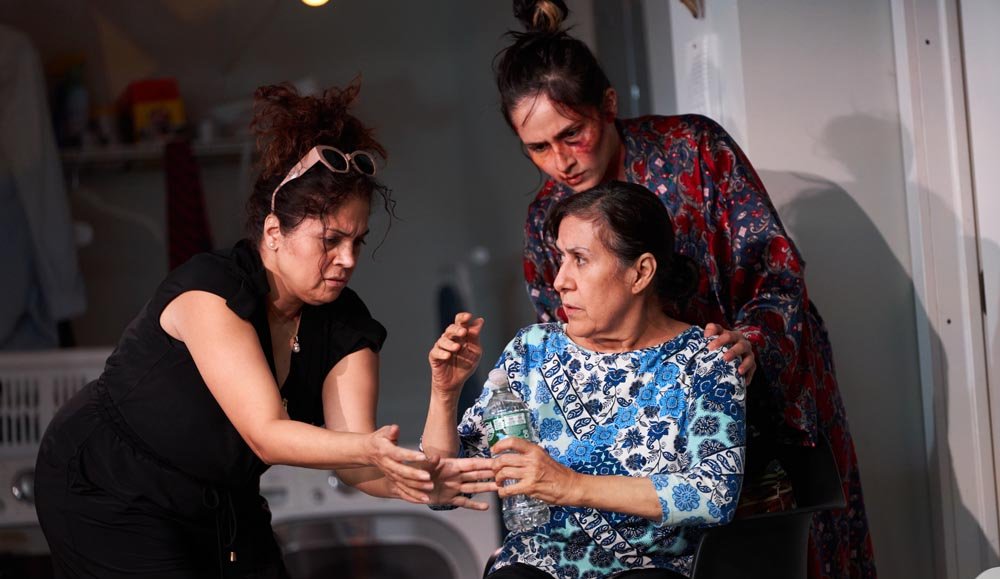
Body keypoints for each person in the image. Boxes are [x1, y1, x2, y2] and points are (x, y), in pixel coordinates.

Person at [493, 1, 877, 578]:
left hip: (753, 389)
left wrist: (750, 341)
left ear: (610, 105)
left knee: (790, 558)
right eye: (538, 147)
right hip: (648, 443)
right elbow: (570, 340)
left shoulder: (694, 150)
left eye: (572, 134)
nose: (561, 162)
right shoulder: (545, 215)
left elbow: (776, 271)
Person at [33, 82, 449, 578]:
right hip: (107, 483)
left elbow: (356, 462)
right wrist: (371, 448)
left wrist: (427, 463)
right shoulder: (212, 290)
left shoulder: (345, 323)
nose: (348, 259)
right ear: (274, 233)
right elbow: (267, 435)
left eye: (357, 241)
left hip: (218, 496)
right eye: (331, 240)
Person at [421, 182, 747, 578]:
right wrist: (444, 391)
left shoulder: (707, 362)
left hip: (651, 569)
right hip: (535, 566)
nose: (559, 281)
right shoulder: (532, 349)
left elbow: (713, 496)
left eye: (580, 259)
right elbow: (444, 491)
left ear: (640, 272)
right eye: (561, 258)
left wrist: (571, 485)